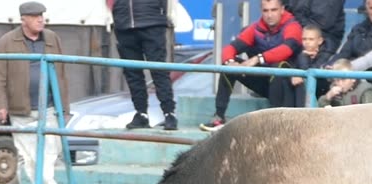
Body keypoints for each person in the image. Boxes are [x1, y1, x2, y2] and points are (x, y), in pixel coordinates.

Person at [0, 1, 71, 184]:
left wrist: (65, 107)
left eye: (42, 15)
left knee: (48, 160)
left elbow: (61, 74)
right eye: (35, 16)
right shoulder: (7, 42)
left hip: (50, 107)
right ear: (23, 20)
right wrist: (1, 105)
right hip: (21, 110)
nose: (40, 19)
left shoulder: (52, 38)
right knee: (29, 159)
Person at [199, 0, 302, 131]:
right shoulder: (256, 28)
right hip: (265, 82)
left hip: (289, 86)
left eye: (274, 10)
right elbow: (230, 48)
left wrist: (258, 58)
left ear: (282, 10)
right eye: (266, 11)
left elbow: (287, 50)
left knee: (279, 65)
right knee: (228, 67)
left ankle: (275, 121)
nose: (269, 15)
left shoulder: (293, 26)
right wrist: (231, 63)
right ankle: (219, 117)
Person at [112, 0, 177, 131]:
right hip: (123, 23)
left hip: (152, 21)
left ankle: (169, 113)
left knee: (158, 70)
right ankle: (141, 113)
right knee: (132, 72)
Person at [288, 23, 333, 106]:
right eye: (304, 39)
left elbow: (310, 72)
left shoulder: (327, 53)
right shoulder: (299, 51)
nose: (307, 42)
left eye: (311, 39)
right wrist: (294, 76)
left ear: (320, 41)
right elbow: (293, 67)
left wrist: (303, 57)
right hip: (304, 89)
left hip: (322, 88)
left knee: (302, 82)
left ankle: (303, 113)